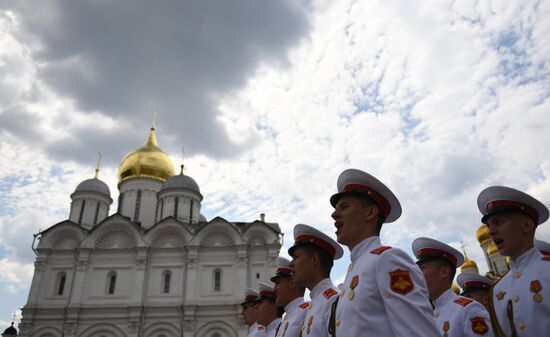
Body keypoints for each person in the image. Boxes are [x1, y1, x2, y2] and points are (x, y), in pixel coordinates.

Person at [330, 168, 440, 337]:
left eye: (344, 207)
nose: (334, 214)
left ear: (370, 213)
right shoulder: (356, 268)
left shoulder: (388, 260)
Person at [478, 185, 550, 336]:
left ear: (526, 225)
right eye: (489, 225)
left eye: (498, 222)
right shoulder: (497, 290)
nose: (490, 231)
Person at [413, 237, 494, 337]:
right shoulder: (431, 315)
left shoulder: (469, 309)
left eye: (422, 268)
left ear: (444, 272)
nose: (417, 274)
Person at [288, 224, 343, 337]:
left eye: (296, 257)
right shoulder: (316, 303)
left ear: (314, 259)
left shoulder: (332, 300)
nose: (291, 264)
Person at [271, 256, 309, 337]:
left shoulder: (306, 312)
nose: (274, 289)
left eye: (278, 283)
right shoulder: (285, 319)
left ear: (292, 283)